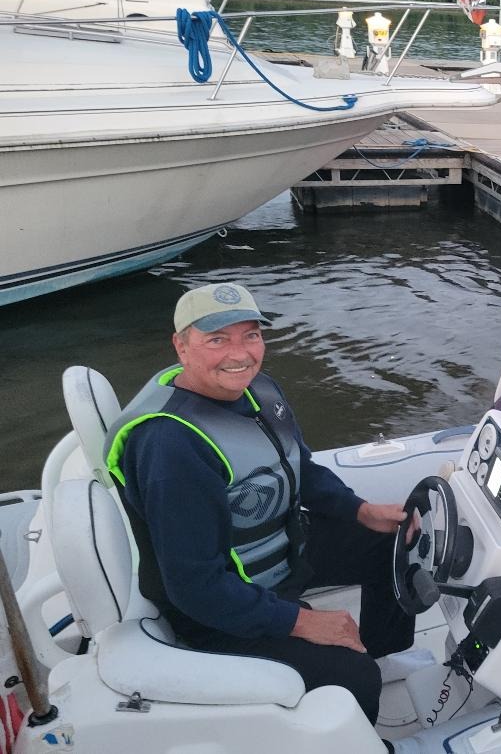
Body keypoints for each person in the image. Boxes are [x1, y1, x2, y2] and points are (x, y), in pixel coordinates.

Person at [104, 282, 414, 726]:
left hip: (282, 551)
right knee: (352, 676)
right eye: (217, 339)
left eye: (251, 335)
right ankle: (359, 710)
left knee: (392, 543)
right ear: (181, 346)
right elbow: (194, 586)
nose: (240, 354)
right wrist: (301, 622)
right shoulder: (170, 445)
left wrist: (360, 510)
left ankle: (377, 649)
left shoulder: (259, 390)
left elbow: (299, 467)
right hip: (217, 605)